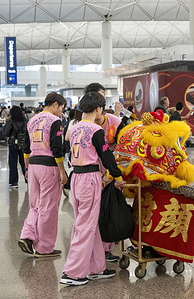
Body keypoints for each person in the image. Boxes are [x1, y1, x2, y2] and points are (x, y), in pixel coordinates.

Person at [60, 92, 126, 286]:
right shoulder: (96, 130)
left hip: (77, 177)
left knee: (89, 222)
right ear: (98, 109)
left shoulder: (73, 128)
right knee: (85, 225)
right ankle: (72, 272)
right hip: (90, 178)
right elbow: (107, 157)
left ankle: (96, 267)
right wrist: (118, 176)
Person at [18, 92, 68, 258]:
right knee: (48, 207)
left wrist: (26, 169)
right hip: (49, 167)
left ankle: (27, 235)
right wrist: (62, 170)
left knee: (35, 204)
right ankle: (44, 248)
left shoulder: (31, 120)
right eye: (61, 108)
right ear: (55, 104)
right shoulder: (55, 121)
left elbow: (25, 147)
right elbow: (56, 148)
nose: (61, 112)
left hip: (33, 166)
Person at [84, 82, 124, 261]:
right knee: (93, 212)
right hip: (91, 175)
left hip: (112, 172)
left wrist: (112, 176)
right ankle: (93, 248)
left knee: (110, 209)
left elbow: (123, 150)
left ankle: (107, 248)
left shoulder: (116, 123)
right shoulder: (85, 124)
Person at [4, 106, 27, 189]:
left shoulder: (11, 121)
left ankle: (14, 182)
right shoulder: (25, 121)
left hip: (13, 144)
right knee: (24, 163)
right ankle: (28, 180)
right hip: (24, 144)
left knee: (13, 163)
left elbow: (6, 132)